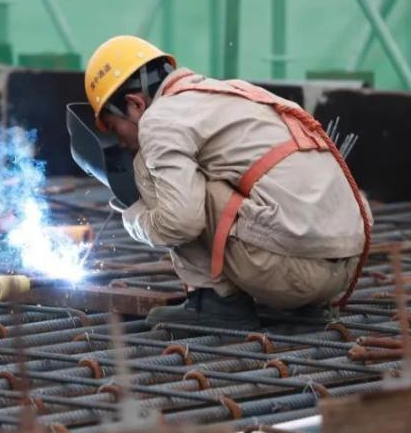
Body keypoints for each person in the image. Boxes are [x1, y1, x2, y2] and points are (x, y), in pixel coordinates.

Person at [83, 35, 372, 331]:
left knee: (153, 175)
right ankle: (302, 306)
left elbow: (181, 221)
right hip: (342, 270)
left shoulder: (159, 119)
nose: (120, 140)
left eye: (114, 126)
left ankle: (216, 301)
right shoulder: (227, 93)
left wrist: (134, 218)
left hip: (291, 275)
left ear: (135, 103)